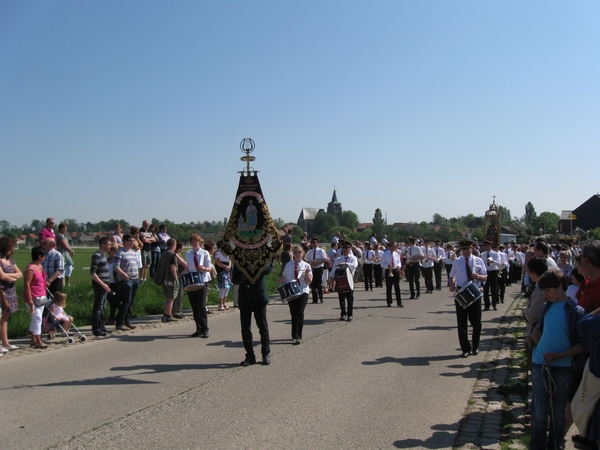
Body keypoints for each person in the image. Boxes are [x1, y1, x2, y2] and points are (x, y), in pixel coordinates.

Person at [529, 269, 585, 450]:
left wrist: (560, 356)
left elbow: (582, 344)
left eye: (548, 290)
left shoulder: (575, 311)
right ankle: (537, 446)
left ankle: (555, 445)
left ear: (560, 286)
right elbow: (541, 326)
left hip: (563, 366)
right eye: (543, 291)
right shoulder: (547, 306)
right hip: (540, 362)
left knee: (558, 412)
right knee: (539, 411)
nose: (546, 295)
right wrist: (536, 330)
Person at [449, 240, 487, 358]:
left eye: (467, 249)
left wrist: (479, 276)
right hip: (461, 291)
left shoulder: (478, 260)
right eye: (463, 250)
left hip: (474, 290)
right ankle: (465, 348)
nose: (465, 252)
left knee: (476, 322)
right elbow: (451, 276)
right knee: (462, 322)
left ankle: (475, 346)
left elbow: (485, 277)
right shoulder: (457, 261)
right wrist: (451, 285)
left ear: (472, 249)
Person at [232, 264, 272, 366]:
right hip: (245, 296)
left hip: (259, 295)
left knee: (263, 327)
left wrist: (256, 266)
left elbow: (267, 270)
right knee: (245, 328)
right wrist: (245, 275)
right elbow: (234, 279)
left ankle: (265, 354)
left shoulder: (261, 256)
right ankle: (250, 355)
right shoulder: (239, 259)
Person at [278, 245, 312, 345]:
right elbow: (284, 277)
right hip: (291, 291)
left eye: (299, 252)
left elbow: (309, 282)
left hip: (302, 291)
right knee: (293, 312)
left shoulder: (307, 266)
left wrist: (306, 274)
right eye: (295, 252)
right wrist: (280, 280)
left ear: (303, 254)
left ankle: (298, 336)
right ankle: (294, 334)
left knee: (299, 312)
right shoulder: (288, 265)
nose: (297, 254)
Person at [185, 234, 211, 338]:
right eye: (192, 241)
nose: (194, 243)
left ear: (199, 242)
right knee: (194, 307)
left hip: (203, 280)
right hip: (192, 281)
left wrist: (203, 268)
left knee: (201, 306)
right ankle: (198, 328)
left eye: (196, 241)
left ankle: (205, 329)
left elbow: (209, 268)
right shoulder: (188, 253)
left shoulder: (205, 253)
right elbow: (189, 266)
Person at [113, 234, 141, 331]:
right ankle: (120, 322)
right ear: (125, 241)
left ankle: (127, 321)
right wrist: (123, 274)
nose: (132, 242)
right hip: (126, 280)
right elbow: (116, 267)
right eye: (130, 240)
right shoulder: (120, 252)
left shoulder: (133, 252)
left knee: (131, 302)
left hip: (135, 279)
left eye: (133, 241)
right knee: (126, 301)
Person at [23, 246, 48, 349]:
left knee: (36, 318)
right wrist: (29, 299)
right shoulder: (30, 269)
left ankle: (33, 339)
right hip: (33, 297)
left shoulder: (40, 266)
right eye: (43, 256)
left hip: (41, 296)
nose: (44, 258)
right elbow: (27, 285)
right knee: (37, 318)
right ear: (39, 256)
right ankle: (38, 340)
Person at [0, 237, 22, 351]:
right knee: (0, 317)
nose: (12, 249)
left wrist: (10, 277)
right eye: (11, 246)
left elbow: (20, 274)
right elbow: (2, 276)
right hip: (2, 292)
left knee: (5, 318)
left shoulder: (11, 260)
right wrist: (12, 277)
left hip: (10, 291)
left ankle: (5, 342)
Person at [90, 237, 113, 336]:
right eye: (108, 245)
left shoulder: (103, 256)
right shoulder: (97, 255)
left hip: (105, 284)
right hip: (100, 284)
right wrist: (103, 284)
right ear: (103, 245)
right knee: (98, 307)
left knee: (103, 306)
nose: (110, 246)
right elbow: (93, 273)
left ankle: (101, 325)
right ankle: (96, 328)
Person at [330, 240, 358, 321]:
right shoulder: (339, 259)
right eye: (344, 247)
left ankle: (350, 314)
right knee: (341, 298)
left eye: (347, 247)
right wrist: (331, 276)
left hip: (349, 280)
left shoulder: (353, 258)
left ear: (350, 249)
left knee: (350, 298)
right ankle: (343, 313)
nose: (345, 249)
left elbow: (354, 266)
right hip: (340, 280)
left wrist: (345, 264)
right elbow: (334, 268)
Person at [154, 239, 180, 322]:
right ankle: (168, 315)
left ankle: (166, 314)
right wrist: (176, 278)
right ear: (173, 245)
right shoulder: (172, 254)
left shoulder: (164, 252)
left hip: (163, 279)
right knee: (171, 297)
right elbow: (172, 267)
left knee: (169, 297)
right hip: (170, 279)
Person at [305, 236, 327, 304]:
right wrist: (311, 264)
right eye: (312, 243)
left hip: (319, 268)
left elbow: (325, 259)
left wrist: (317, 263)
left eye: (315, 242)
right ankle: (315, 299)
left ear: (318, 243)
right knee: (313, 284)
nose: (314, 244)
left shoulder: (321, 251)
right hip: (312, 268)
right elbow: (308, 261)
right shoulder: (310, 252)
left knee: (319, 283)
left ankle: (321, 297)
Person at [381, 241, 402, 307]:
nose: (394, 247)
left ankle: (399, 302)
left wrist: (399, 266)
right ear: (389, 247)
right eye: (393, 246)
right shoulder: (385, 254)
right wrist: (387, 266)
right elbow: (382, 264)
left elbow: (399, 262)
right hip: (388, 270)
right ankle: (389, 302)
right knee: (389, 287)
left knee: (397, 287)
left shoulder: (396, 254)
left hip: (395, 270)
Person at [481, 240, 501, 311]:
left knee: (494, 289)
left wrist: (493, 261)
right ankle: (487, 305)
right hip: (486, 272)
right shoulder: (483, 254)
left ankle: (494, 304)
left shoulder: (495, 254)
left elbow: (499, 263)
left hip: (493, 272)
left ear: (489, 246)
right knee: (485, 289)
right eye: (484, 246)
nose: (484, 247)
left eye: (486, 246)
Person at [171, 240, 188, 319]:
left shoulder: (179, 254)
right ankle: (176, 311)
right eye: (182, 246)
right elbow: (184, 264)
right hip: (179, 275)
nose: (183, 248)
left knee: (181, 294)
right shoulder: (176, 255)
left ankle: (179, 310)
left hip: (181, 275)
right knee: (179, 294)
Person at [214, 243, 232, 311]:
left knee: (227, 287)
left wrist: (229, 266)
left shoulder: (228, 251)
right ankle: (220, 304)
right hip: (221, 270)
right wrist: (224, 266)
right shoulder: (218, 252)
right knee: (223, 287)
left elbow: (230, 259)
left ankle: (224, 302)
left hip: (228, 270)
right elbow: (216, 261)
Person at [56, 222, 74, 287]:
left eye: (66, 228)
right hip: (61, 254)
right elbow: (65, 245)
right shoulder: (60, 236)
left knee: (69, 266)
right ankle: (62, 284)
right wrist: (71, 251)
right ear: (60, 229)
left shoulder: (64, 236)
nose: (65, 229)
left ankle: (68, 283)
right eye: (63, 228)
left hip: (66, 255)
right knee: (62, 269)